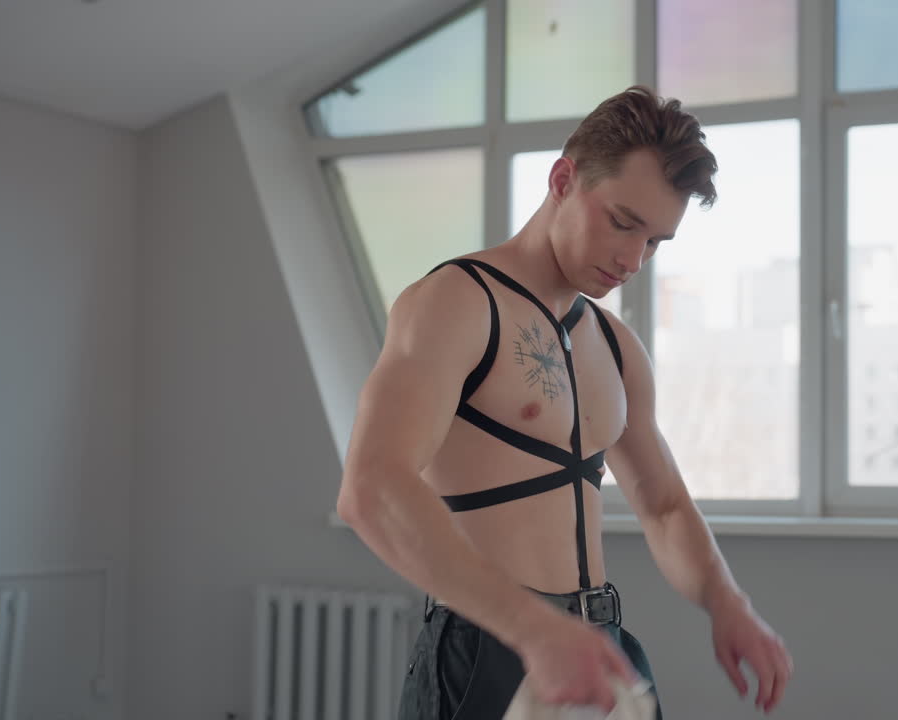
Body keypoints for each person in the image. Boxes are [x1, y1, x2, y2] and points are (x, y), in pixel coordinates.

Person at [336, 85, 793, 719]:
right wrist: (532, 629)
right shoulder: (456, 301)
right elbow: (371, 488)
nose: (634, 259)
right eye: (623, 222)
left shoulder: (617, 345)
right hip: (492, 642)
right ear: (562, 179)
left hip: (598, 642)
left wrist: (727, 602)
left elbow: (662, 506)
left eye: (657, 241)